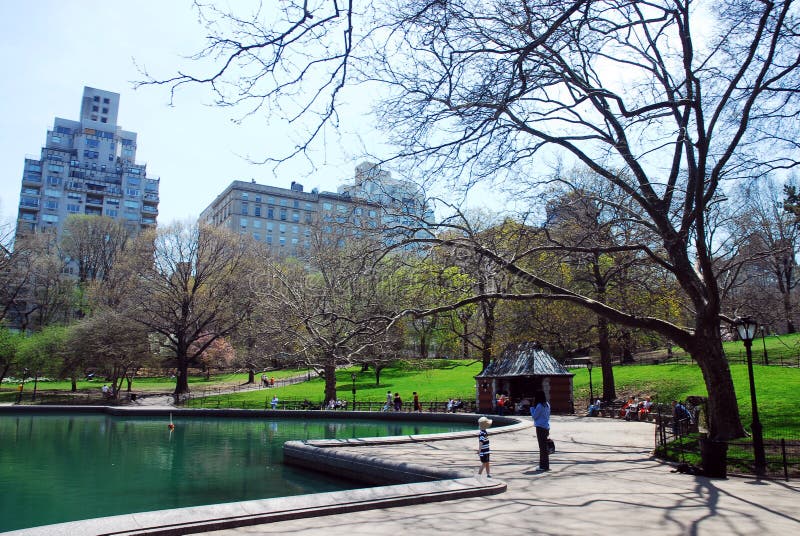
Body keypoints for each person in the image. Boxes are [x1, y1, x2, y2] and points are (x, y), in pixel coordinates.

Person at [531, 390, 551, 471]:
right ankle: (546, 465)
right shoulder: (547, 405)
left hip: (540, 427)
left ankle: (543, 466)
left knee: (542, 448)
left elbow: (534, 416)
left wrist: (532, 408)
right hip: (546, 427)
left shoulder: (539, 405)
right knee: (544, 447)